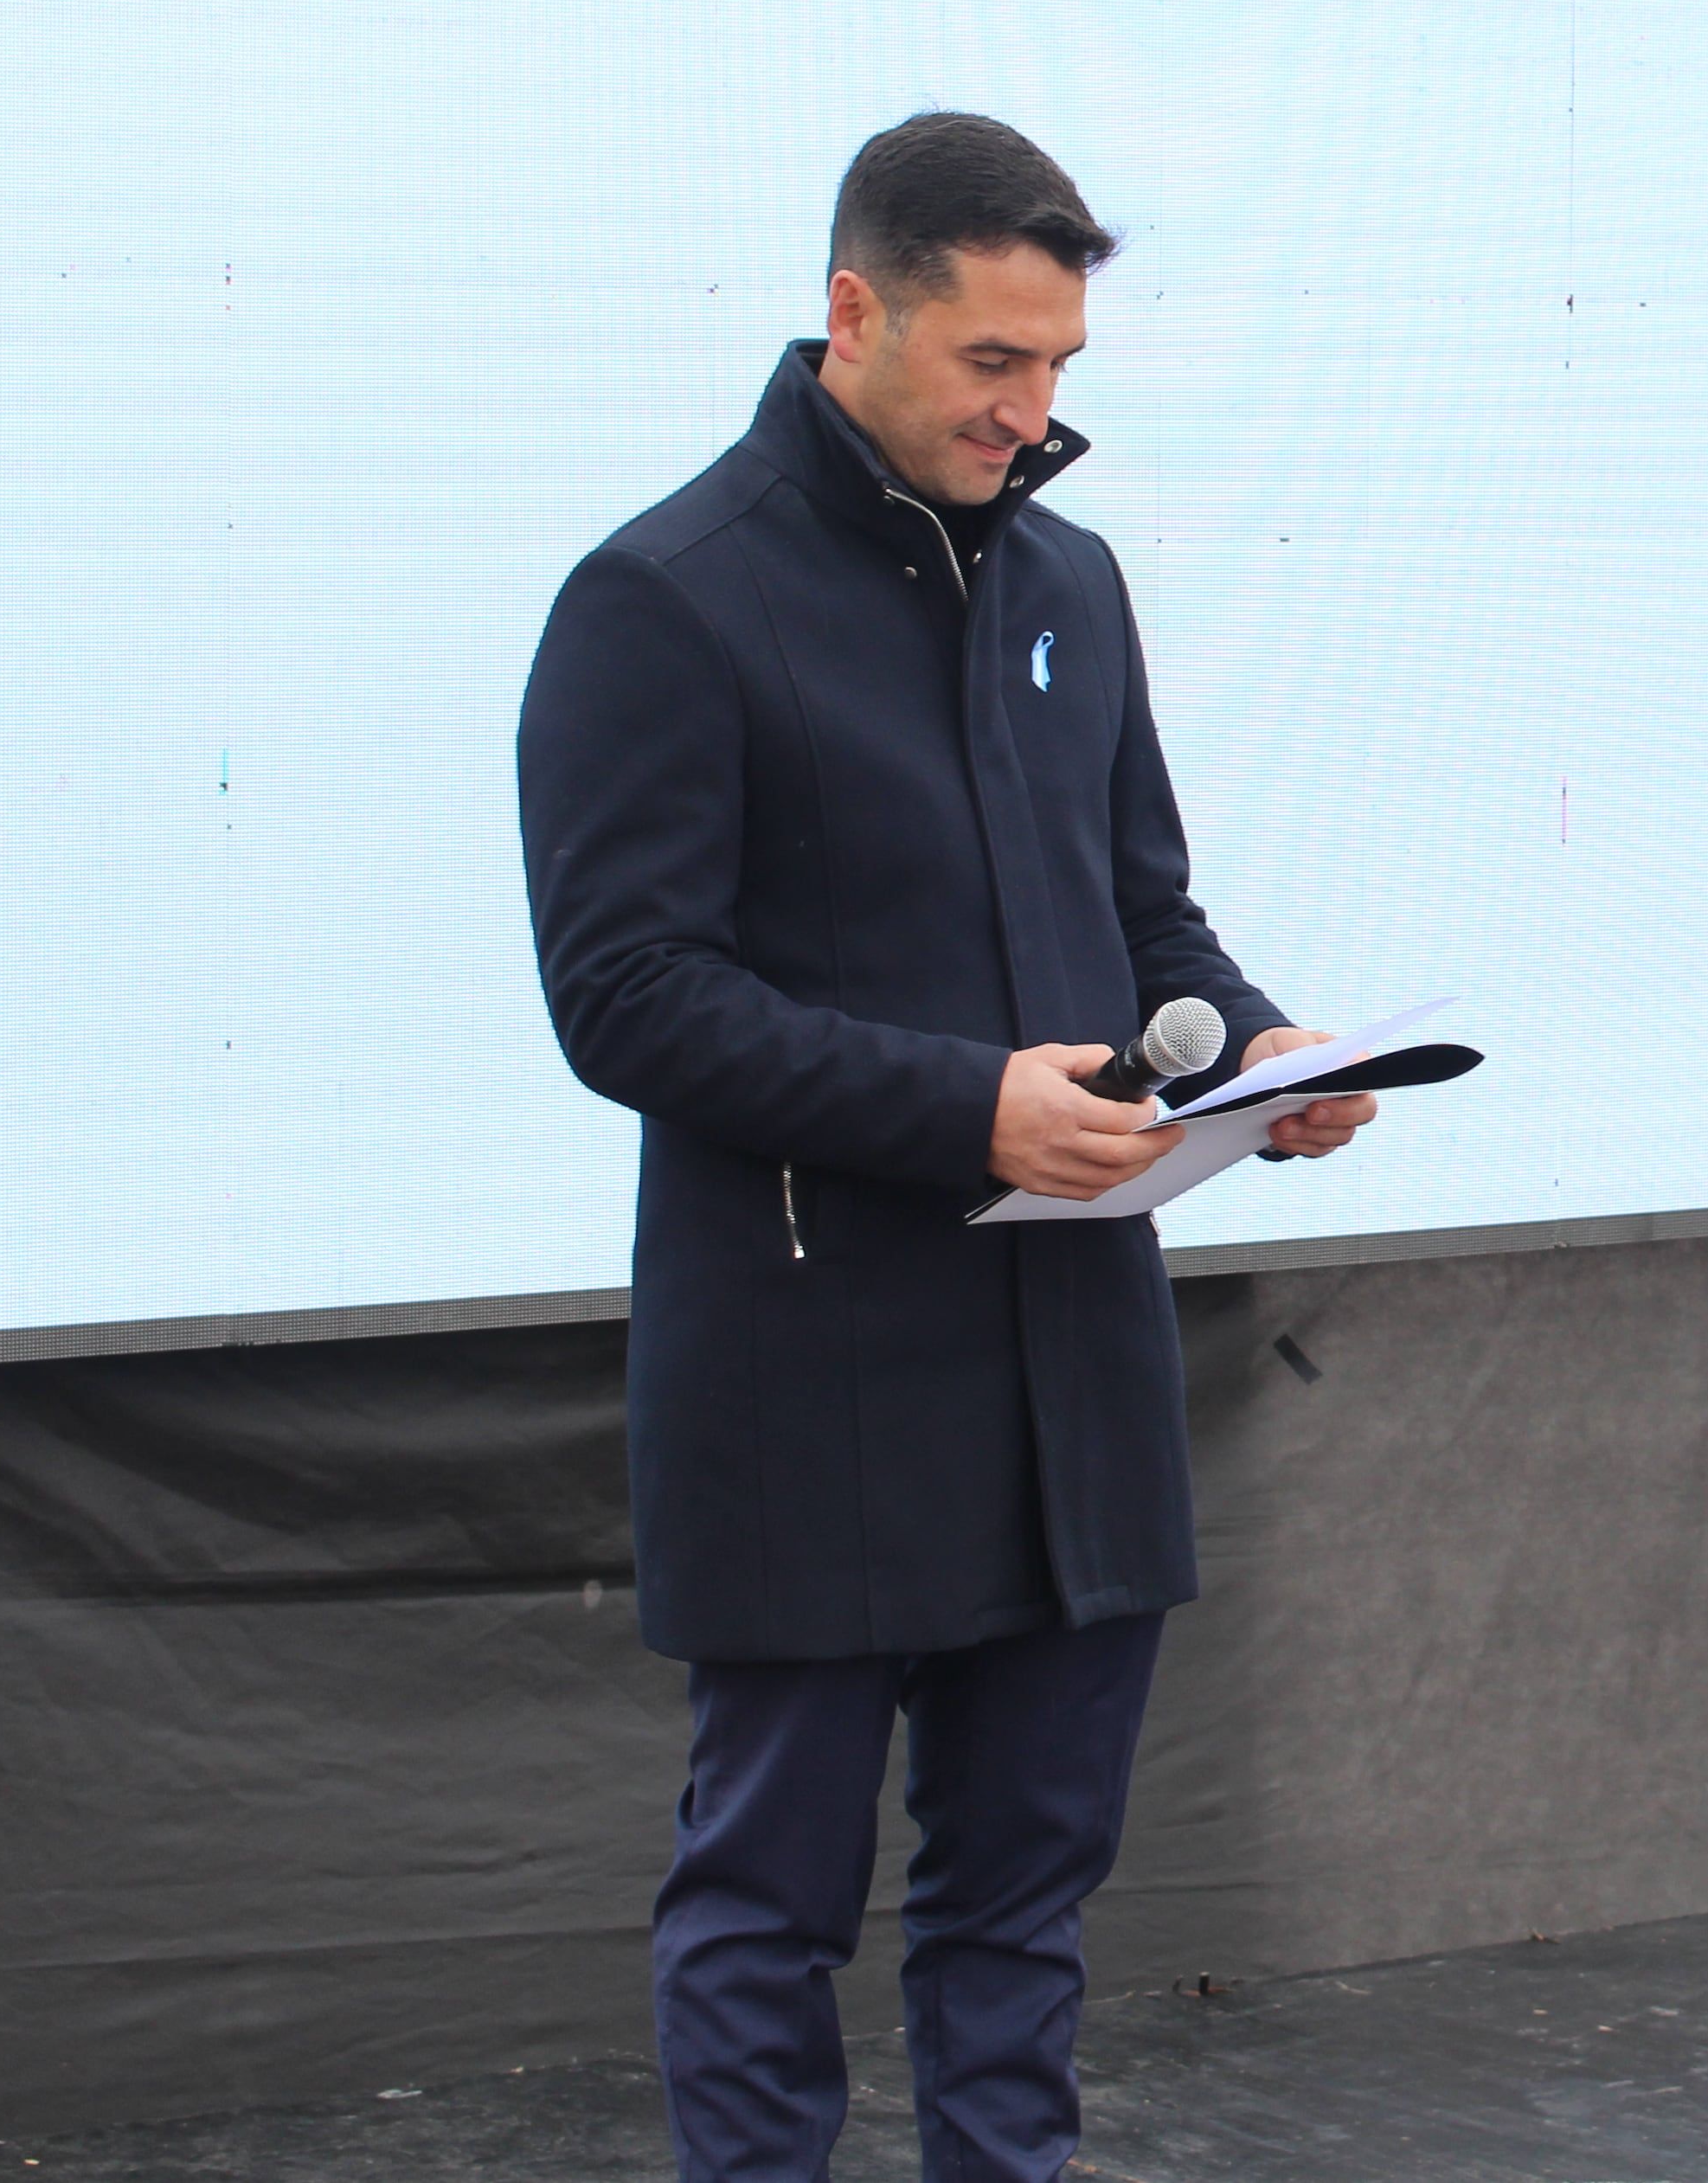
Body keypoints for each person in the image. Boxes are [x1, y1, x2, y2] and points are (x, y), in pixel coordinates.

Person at [516, 112, 1377, 2183]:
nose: (1032, 409)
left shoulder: (1070, 582)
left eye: (1060, 366)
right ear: (852, 309)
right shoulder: (663, 597)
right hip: (806, 1372)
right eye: (994, 362)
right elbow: (620, 993)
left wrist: (1258, 1050)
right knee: (768, 1908)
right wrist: (957, 1097)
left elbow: (1140, 911)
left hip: (1070, 1367)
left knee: (1023, 1909)